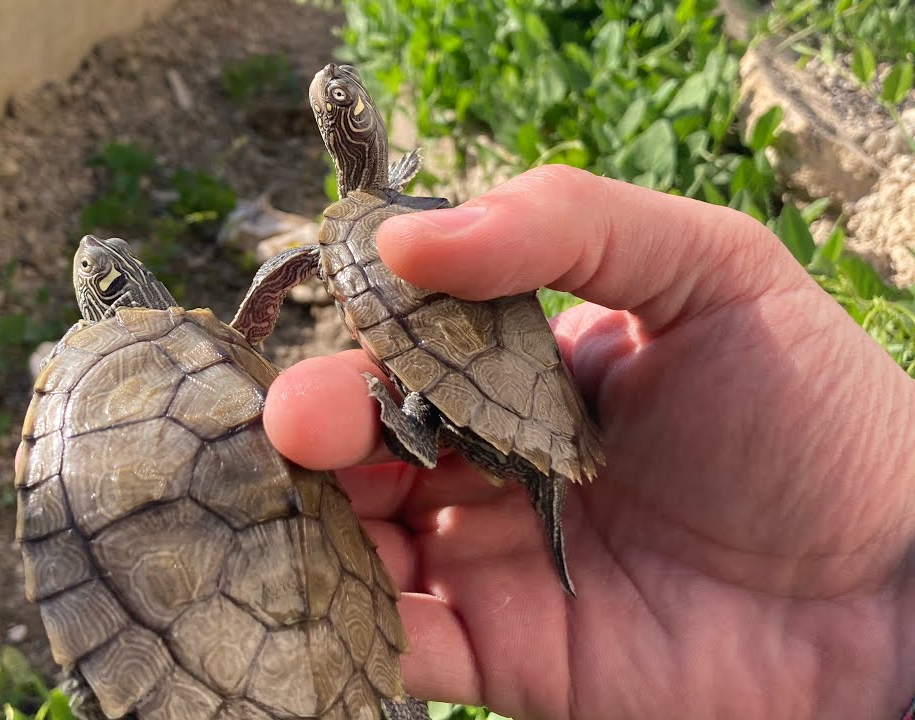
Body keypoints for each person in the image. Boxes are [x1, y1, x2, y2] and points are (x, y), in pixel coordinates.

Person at [261, 165, 914, 718]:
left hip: (486, 391)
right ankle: (419, 425)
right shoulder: (401, 210)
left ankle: (413, 430)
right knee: (360, 409)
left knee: (417, 409)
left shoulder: (398, 223)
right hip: (535, 399)